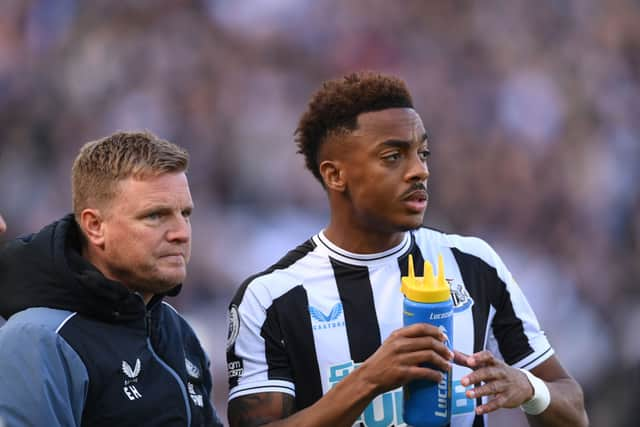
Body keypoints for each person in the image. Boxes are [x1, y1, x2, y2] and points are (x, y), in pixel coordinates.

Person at [225, 72, 588, 427]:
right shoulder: (270, 298)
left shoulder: (475, 264)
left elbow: (573, 409)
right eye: (392, 156)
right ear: (336, 175)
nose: (420, 171)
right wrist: (368, 380)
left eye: (423, 153)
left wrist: (529, 388)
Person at [0, 131, 223, 426]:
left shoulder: (175, 329)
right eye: (155, 216)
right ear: (95, 226)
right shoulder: (40, 340)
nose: (181, 232)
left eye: (185, 213)